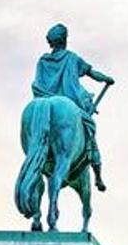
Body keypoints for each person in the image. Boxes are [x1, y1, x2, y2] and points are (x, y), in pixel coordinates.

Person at [32, 23, 114, 186]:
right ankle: (97, 174)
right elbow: (92, 73)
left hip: (42, 100)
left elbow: (38, 83)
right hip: (71, 102)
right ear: (64, 40)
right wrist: (107, 79)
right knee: (90, 129)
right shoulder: (72, 58)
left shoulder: (42, 61)